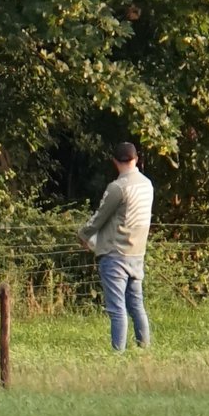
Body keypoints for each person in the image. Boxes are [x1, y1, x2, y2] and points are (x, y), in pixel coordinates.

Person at [79, 142, 153, 351]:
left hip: (115, 253)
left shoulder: (118, 188)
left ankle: (118, 353)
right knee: (136, 305)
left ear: (114, 161)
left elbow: (100, 217)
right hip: (137, 252)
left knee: (116, 308)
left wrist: (83, 235)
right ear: (136, 159)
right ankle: (143, 348)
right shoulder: (147, 185)